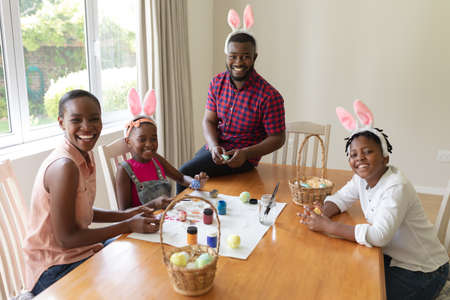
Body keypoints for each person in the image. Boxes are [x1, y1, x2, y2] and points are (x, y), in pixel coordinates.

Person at [298, 100, 449, 300]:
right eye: (353, 154)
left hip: (423, 271)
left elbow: (379, 236)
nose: (359, 158)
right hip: (394, 258)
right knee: (344, 277)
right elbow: (341, 198)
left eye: (368, 152)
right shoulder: (361, 179)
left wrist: (328, 227)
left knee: (360, 292)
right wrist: (323, 212)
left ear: (385, 157)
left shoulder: (396, 187)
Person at [23, 90, 164, 296]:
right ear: (61, 123)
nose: (87, 127)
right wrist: (127, 224)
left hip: (80, 252)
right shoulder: (64, 166)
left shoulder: (84, 155)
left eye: (94, 119)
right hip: (54, 269)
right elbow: (66, 239)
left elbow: (84, 211)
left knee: (144, 254)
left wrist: (130, 214)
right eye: (76, 120)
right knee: (132, 282)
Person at [178, 5, 286, 194]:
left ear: (254, 57)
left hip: (243, 158)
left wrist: (246, 153)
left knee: (184, 173)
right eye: (233, 56)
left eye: (245, 57)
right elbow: (209, 120)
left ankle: (176, 217)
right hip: (216, 149)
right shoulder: (216, 83)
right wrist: (213, 146)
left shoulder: (270, 96)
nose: (238, 62)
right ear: (226, 56)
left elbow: (277, 138)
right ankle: (190, 214)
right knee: (195, 179)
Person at [115, 115, 208, 210]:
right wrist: (153, 205)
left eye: (153, 139)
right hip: (142, 223)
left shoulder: (156, 159)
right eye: (142, 139)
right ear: (128, 142)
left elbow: (181, 178)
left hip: (166, 216)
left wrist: (195, 183)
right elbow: (124, 212)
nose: (149, 144)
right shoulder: (124, 170)